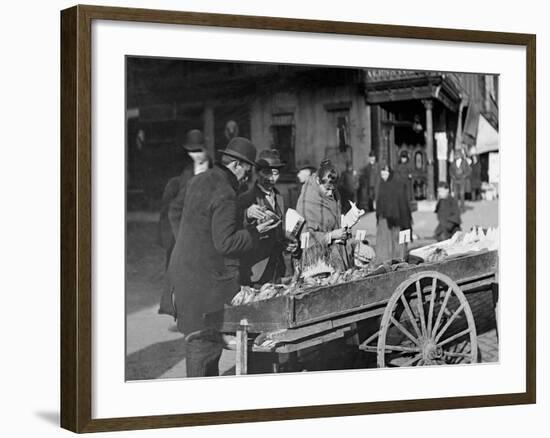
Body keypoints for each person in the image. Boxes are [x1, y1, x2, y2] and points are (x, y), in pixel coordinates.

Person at [165, 137, 278, 377]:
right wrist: (256, 232)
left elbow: (184, 213)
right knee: (203, 347)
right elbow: (225, 243)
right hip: (203, 284)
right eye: (247, 171)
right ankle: (199, 408)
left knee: (201, 343)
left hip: (182, 274)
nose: (247, 177)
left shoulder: (200, 180)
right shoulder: (226, 192)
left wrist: (188, 243)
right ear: (237, 165)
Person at [157, 129, 211, 271]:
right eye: (192, 151)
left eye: (199, 150)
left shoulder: (213, 170)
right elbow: (172, 210)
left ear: (205, 149)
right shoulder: (183, 175)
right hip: (183, 231)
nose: (196, 155)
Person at [238, 149, 290, 286]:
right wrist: (247, 214)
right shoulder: (246, 199)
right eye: (266, 172)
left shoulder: (279, 197)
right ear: (257, 172)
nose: (271, 178)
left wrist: (288, 242)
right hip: (256, 271)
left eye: (275, 173)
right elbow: (235, 228)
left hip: (277, 269)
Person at [296, 160, 354, 272]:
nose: (330, 194)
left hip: (336, 256)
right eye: (327, 189)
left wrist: (344, 230)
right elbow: (305, 237)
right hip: (316, 262)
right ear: (318, 181)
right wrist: (331, 235)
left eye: (333, 190)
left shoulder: (334, 195)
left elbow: (335, 221)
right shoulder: (307, 200)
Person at [373, 164, 412, 265]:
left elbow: (403, 205)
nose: (384, 176)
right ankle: (384, 263)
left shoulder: (397, 184)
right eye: (382, 174)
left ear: (390, 173)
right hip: (384, 220)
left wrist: (404, 221)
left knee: (398, 243)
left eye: (386, 173)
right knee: (385, 244)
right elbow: (379, 201)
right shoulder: (381, 183)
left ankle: (399, 261)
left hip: (398, 220)